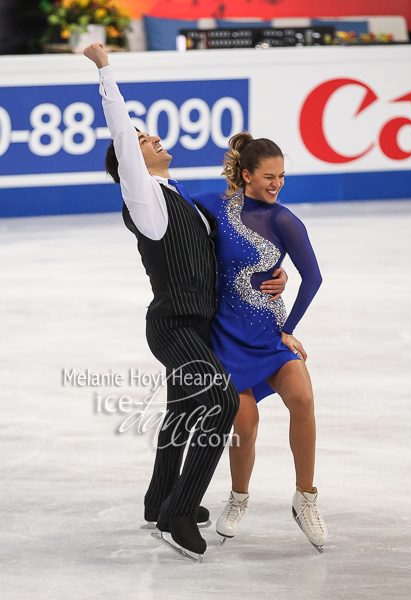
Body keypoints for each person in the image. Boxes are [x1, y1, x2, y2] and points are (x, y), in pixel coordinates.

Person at [83, 44, 286, 560]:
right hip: (173, 325)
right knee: (218, 402)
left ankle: (159, 498)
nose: (153, 140)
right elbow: (123, 137)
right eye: (143, 140)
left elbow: (224, 260)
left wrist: (272, 275)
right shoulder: (145, 199)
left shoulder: (181, 199)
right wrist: (105, 70)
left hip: (201, 327)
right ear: (132, 160)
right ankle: (179, 511)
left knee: (180, 413)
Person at [193, 133, 328, 552]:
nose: (277, 184)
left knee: (303, 401)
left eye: (282, 177)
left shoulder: (284, 220)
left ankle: (305, 498)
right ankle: (237, 497)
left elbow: (314, 278)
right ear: (247, 175)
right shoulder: (217, 206)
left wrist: (288, 328)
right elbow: (170, 195)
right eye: (269, 177)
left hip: (270, 333)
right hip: (227, 336)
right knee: (244, 424)